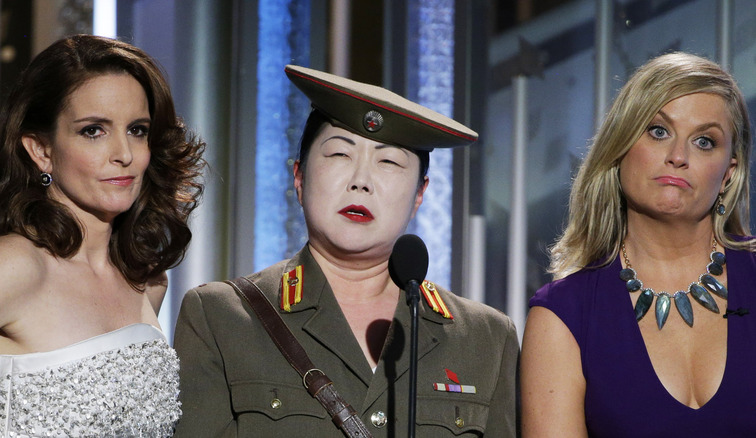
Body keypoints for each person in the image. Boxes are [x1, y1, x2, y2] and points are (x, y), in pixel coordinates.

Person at [173, 65, 519, 437]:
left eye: (388, 162)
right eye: (340, 155)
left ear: (420, 194)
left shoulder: (486, 338)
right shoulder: (221, 318)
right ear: (299, 177)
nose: (361, 181)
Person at [0, 35, 205, 436]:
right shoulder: (14, 265)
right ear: (41, 149)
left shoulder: (146, 279)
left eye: (137, 130)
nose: (124, 154)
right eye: (93, 131)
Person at [521, 52, 756, 437]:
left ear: (728, 172)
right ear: (621, 144)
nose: (677, 157)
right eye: (659, 131)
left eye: (704, 141)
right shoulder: (562, 315)